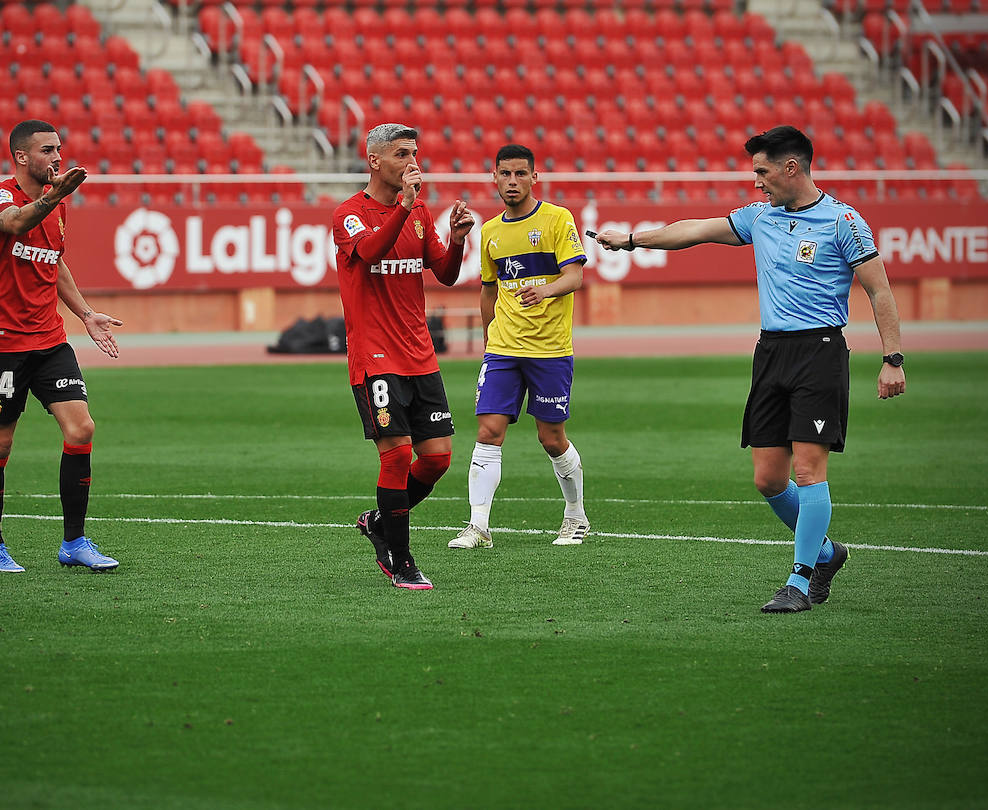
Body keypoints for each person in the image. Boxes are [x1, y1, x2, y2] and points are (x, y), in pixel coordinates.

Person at [595, 125, 906, 613]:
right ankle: (826, 554)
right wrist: (632, 240)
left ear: (791, 167)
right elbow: (694, 229)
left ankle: (799, 583)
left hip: (819, 353)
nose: (756, 181)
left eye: (761, 171)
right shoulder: (759, 218)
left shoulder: (844, 222)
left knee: (808, 469)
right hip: (771, 354)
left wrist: (892, 358)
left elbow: (879, 290)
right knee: (767, 479)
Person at [0, 119, 124, 573]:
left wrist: (86, 314)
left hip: (49, 339)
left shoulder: (58, 207)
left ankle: (74, 542)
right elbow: (15, 223)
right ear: (21, 157)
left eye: (59, 149)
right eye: (47, 150)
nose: (57, 157)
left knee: (81, 430)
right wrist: (53, 195)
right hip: (0, 343)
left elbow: (53, 264)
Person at [333, 123, 475, 590]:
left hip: (420, 355)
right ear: (374, 161)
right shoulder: (350, 215)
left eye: (415, 152)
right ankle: (401, 559)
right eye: (401, 154)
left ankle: (379, 522)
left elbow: (447, 275)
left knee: (436, 459)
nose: (413, 161)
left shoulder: (418, 214)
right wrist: (404, 207)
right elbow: (371, 253)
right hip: (375, 357)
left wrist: (455, 240)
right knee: (395, 456)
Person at [448, 144, 589, 551]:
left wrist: (543, 290)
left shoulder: (557, 219)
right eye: (505, 174)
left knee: (551, 437)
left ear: (534, 178)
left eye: (520, 174)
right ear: (494, 178)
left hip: (549, 349)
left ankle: (575, 516)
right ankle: (478, 528)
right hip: (503, 351)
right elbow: (488, 290)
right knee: (488, 431)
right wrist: (488, 336)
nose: (512, 182)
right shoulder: (489, 232)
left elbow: (575, 277)